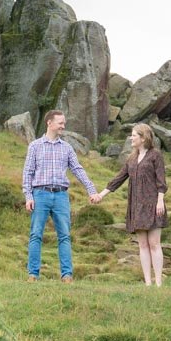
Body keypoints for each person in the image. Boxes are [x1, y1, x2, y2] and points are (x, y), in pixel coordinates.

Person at [22, 109, 100, 282]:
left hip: (60, 196)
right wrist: (28, 196)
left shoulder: (67, 148)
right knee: (36, 234)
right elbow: (28, 172)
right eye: (60, 123)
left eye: (64, 123)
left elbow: (77, 169)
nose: (63, 126)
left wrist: (91, 189)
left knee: (64, 235)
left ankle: (67, 275)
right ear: (49, 123)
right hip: (40, 194)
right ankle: (33, 275)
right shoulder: (35, 146)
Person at [96, 123, 168, 286]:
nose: (131, 138)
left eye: (134, 135)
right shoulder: (131, 159)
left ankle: (158, 283)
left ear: (143, 138)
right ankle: (147, 282)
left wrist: (160, 201)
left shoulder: (155, 155)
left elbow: (161, 180)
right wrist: (101, 195)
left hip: (153, 204)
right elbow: (118, 179)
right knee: (142, 244)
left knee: (154, 244)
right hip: (136, 206)